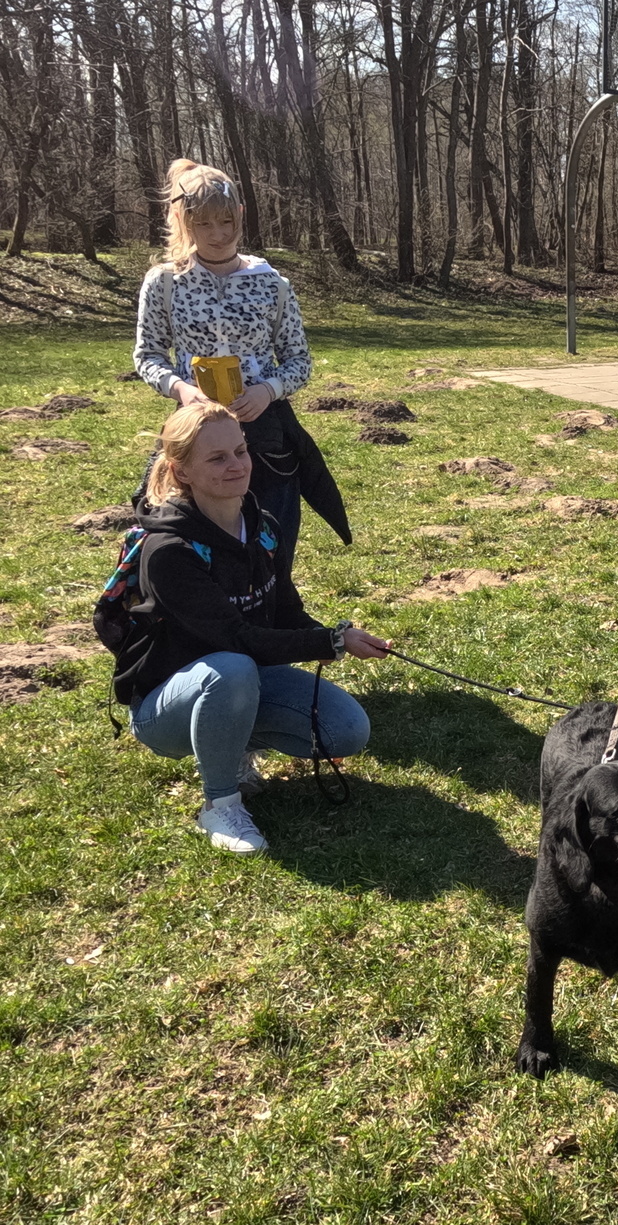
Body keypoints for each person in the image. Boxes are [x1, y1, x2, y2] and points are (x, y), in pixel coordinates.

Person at [115, 403, 390, 856]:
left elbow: (284, 611)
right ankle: (220, 803)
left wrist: (333, 634)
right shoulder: (170, 550)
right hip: (166, 708)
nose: (237, 465)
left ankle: (231, 742)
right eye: (217, 458)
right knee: (232, 668)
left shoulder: (263, 528)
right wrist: (329, 642)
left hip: (240, 678)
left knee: (346, 731)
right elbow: (237, 638)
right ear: (182, 472)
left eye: (240, 451)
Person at [133, 158, 351, 564]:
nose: (218, 234)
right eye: (204, 224)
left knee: (272, 550)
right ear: (183, 221)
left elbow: (298, 360)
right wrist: (183, 390)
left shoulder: (271, 283)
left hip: (265, 436)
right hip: (195, 432)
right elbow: (148, 356)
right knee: (183, 548)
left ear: (241, 215)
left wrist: (267, 391)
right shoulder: (163, 283)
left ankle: (277, 619)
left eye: (227, 221)